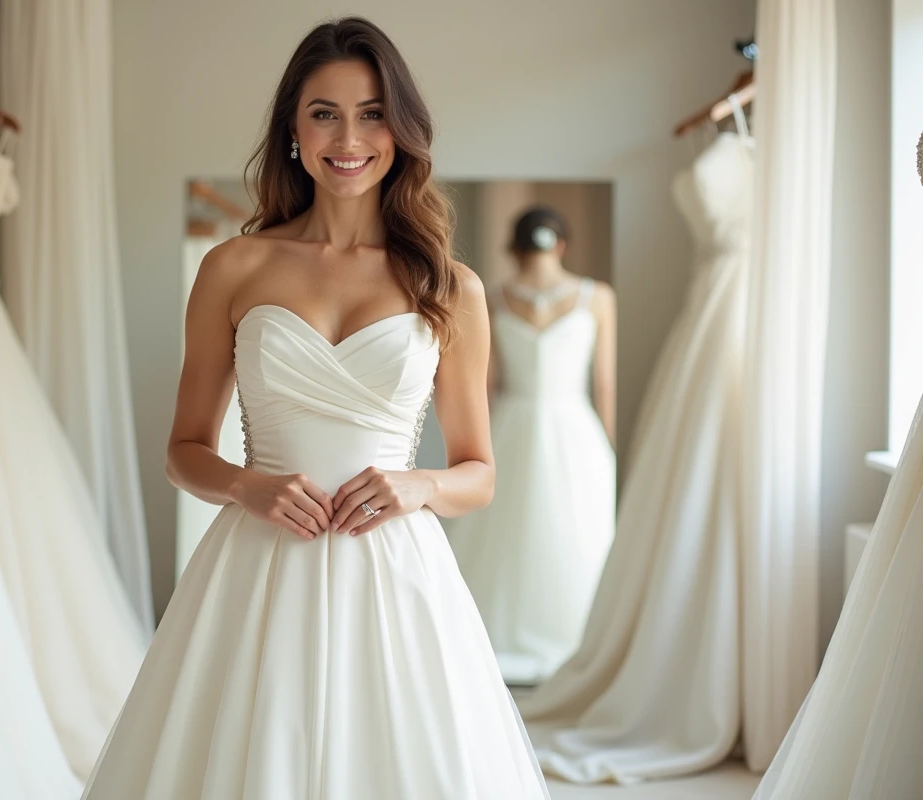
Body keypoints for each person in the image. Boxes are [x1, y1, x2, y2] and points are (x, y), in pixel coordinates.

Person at [82, 17, 550, 799]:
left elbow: (480, 473)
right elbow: (183, 448)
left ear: (400, 131)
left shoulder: (449, 286)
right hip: (259, 562)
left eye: (371, 113)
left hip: (394, 568)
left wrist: (419, 486)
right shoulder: (235, 266)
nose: (349, 137)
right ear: (293, 130)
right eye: (324, 112)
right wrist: (244, 485)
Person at [448, 207, 617, 685]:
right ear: (561, 244)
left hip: (511, 425)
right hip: (577, 431)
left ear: (515, 247)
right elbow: (604, 384)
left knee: (507, 530)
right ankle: (577, 638)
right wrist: (608, 448)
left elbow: (487, 385)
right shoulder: (597, 297)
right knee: (575, 530)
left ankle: (500, 632)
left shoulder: (494, 298)